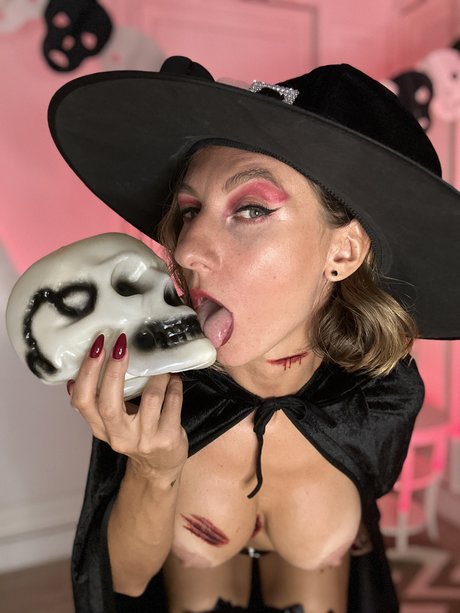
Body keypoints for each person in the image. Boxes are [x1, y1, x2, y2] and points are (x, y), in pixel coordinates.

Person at [47, 56, 460, 613]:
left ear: (343, 252)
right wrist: (152, 469)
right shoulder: (158, 384)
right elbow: (119, 582)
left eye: (250, 209)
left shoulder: (381, 397)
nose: (186, 251)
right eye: (189, 211)